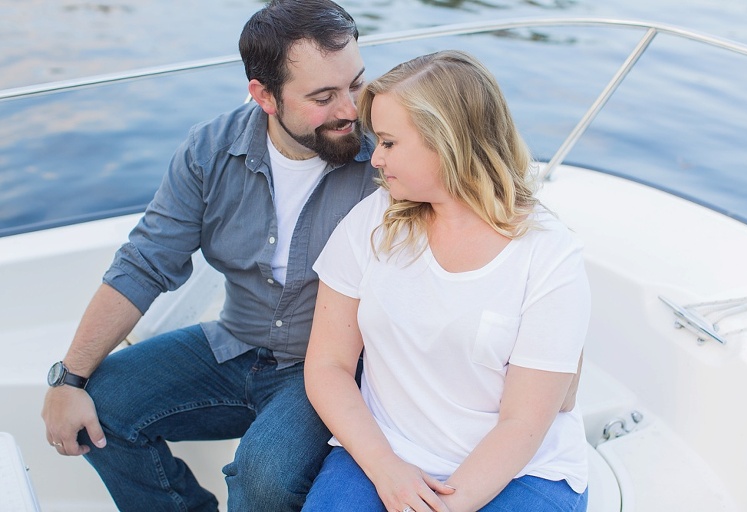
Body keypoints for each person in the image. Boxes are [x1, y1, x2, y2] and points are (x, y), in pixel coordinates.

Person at [40, 1, 378, 510]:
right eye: (323, 96)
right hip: (232, 344)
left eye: (356, 84)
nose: (350, 109)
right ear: (264, 96)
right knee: (100, 408)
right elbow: (145, 262)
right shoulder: (209, 150)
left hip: (326, 367)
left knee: (263, 476)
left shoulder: (385, 156)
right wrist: (70, 379)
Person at [303, 50, 590, 512]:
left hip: (519, 470)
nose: (374, 158)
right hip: (388, 452)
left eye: (391, 143)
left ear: (448, 142)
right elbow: (328, 366)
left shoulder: (549, 254)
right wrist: (386, 467)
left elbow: (522, 422)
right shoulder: (372, 221)